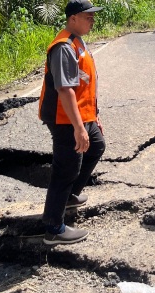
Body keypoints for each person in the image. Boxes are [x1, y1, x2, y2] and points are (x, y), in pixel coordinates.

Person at [37, 0, 106, 245]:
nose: (92, 21)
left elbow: (85, 82)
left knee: (96, 145)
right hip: (64, 118)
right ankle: (53, 229)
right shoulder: (64, 47)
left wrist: (93, 117)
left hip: (82, 114)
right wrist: (78, 128)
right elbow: (65, 91)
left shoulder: (78, 41)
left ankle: (68, 197)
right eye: (88, 17)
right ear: (73, 18)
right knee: (66, 169)